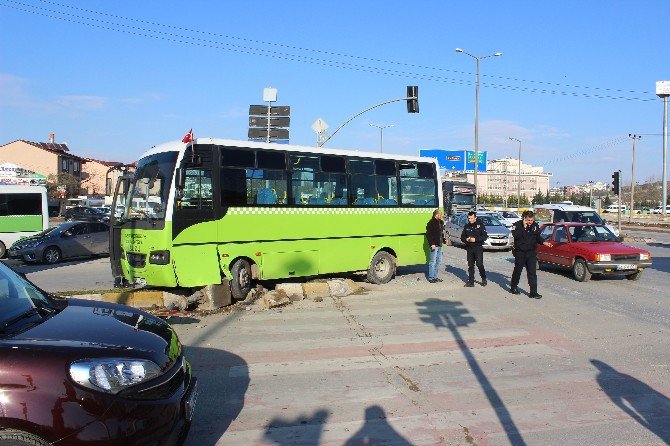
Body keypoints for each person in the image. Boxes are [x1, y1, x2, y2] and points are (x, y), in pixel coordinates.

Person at [510, 210, 552, 298]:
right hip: (520, 252)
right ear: (524, 219)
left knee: (532, 272)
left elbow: (537, 237)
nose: (530, 222)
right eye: (528, 220)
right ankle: (513, 287)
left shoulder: (535, 226)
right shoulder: (516, 225)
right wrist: (524, 227)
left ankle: (533, 292)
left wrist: (544, 242)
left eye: (531, 220)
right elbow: (516, 236)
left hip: (531, 252)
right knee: (518, 270)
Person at [460, 211, 488, 287]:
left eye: (471, 218)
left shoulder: (480, 225)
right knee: (470, 265)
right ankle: (471, 282)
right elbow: (462, 237)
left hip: (478, 248)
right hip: (469, 248)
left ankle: (484, 278)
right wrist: (467, 239)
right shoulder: (466, 226)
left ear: (475, 218)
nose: (470, 220)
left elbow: (485, 237)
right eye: (469, 218)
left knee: (479, 264)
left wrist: (475, 239)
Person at [425, 209, 445, 283]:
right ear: (436, 215)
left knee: (439, 261)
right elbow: (428, 235)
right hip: (434, 245)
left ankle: (435, 276)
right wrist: (432, 244)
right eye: (440, 214)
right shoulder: (431, 223)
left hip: (440, 245)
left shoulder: (440, 222)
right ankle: (431, 277)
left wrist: (444, 240)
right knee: (432, 262)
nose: (441, 216)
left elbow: (441, 234)